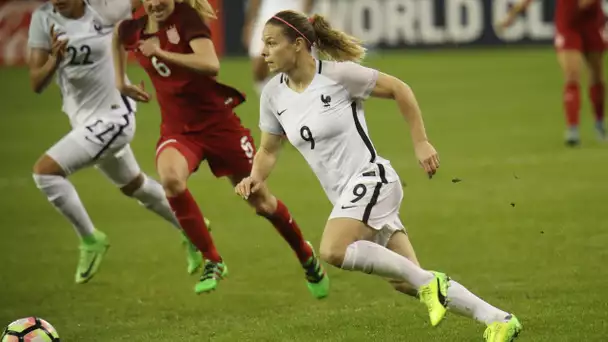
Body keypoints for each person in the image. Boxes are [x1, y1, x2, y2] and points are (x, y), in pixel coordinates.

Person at [235, 10, 523, 341]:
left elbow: (400, 89)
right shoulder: (273, 95)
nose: (263, 52)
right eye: (263, 44)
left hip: (373, 180)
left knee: (333, 249)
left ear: (298, 44)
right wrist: (256, 176)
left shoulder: (339, 76)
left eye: (271, 44)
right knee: (406, 280)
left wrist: (421, 142)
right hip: (347, 197)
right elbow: (269, 150)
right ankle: (498, 319)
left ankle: (433, 284)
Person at [112, 0, 329, 296]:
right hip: (178, 130)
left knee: (261, 202)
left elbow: (210, 64)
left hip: (220, 127)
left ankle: (305, 255)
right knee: (171, 180)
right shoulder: (133, 28)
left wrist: (161, 52)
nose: (156, 3)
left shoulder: (187, 20)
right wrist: (120, 81)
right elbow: (117, 35)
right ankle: (212, 259)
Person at [27, 0, 205, 285]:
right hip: (83, 121)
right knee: (136, 186)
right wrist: (54, 61)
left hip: (114, 117)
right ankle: (194, 231)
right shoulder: (43, 18)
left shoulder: (108, 8)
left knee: (45, 172)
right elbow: (36, 82)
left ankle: (90, 238)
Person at [498, 0, 606, 146]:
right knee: (572, 74)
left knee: (596, 73)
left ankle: (599, 123)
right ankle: (572, 129)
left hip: (592, 21)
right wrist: (513, 14)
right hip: (568, 22)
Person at [243, 0, 314, 94]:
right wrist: (250, 22)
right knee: (258, 67)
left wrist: (304, 18)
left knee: (299, 67)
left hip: (294, 15)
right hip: (266, 16)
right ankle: (274, 99)